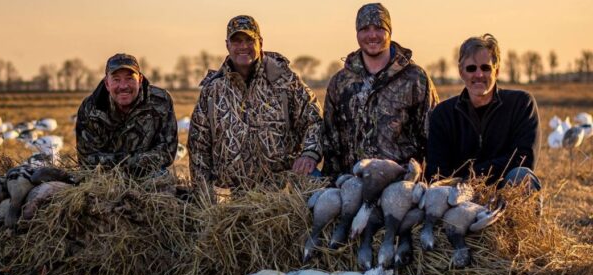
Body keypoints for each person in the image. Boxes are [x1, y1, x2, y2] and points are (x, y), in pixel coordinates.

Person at [188, 15, 323, 190]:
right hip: (232, 194)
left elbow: (314, 119)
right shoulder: (213, 90)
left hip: (283, 189)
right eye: (237, 41)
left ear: (260, 42)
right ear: (227, 45)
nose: (243, 46)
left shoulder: (284, 80)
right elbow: (198, 146)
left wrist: (309, 154)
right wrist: (204, 195)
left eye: (249, 40)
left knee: (322, 193)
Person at [322, 3, 438, 177]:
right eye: (365, 29)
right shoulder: (340, 82)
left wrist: (429, 181)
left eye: (379, 28)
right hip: (352, 184)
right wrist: (332, 182)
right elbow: (330, 142)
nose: (372, 35)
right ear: (357, 33)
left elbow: (433, 138)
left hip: (402, 184)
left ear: (389, 32)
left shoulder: (415, 79)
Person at [425, 34, 541, 191]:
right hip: (457, 196)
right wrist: (465, 187)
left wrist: (473, 177)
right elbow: (437, 173)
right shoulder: (443, 114)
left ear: (496, 70)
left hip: (504, 193)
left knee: (522, 175)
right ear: (461, 72)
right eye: (471, 68)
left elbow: (523, 159)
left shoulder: (521, 104)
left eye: (485, 68)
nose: (479, 74)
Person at [75, 53, 178, 177]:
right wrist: (124, 167)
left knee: (162, 177)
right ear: (107, 83)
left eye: (129, 78)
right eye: (116, 79)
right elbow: (86, 159)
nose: (123, 86)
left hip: (148, 174)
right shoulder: (90, 108)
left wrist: (131, 166)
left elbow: (167, 151)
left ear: (140, 80)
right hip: (104, 177)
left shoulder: (161, 102)